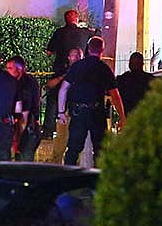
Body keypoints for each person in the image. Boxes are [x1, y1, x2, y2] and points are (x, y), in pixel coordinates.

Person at [57, 37, 126, 167]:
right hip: (97, 113)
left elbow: (63, 89)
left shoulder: (77, 66)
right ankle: (97, 180)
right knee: (100, 150)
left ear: (88, 49)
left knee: (73, 150)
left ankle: (66, 180)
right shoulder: (104, 69)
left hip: (78, 112)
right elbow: (115, 95)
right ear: (102, 50)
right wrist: (122, 116)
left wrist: (61, 112)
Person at [45, 10, 95, 138]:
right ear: (77, 19)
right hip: (80, 72)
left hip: (61, 70)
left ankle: (49, 131)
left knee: (53, 100)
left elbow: (49, 52)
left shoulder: (59, 33)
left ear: (65, 20)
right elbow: (97, 35)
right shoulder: (85, 32)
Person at [46, 48, 83, 164]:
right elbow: (50, 84)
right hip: (65, 112)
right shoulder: (64, 71)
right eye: (72, 56)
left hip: (79, 111)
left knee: (78, 142)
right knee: (60, 142)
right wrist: (63, 78)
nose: (75, 58)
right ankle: (56, 165)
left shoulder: (84, 72)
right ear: (68, 58)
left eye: (77, 56)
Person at [6, 56, 41, 161]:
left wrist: (17, 139)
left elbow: (24, 115)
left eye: (10, 68)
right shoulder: (29, 81)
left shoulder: (25, 85)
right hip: (27, 129)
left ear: (19, 69)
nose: (7, 71)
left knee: (23, 162)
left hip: (26, 131)